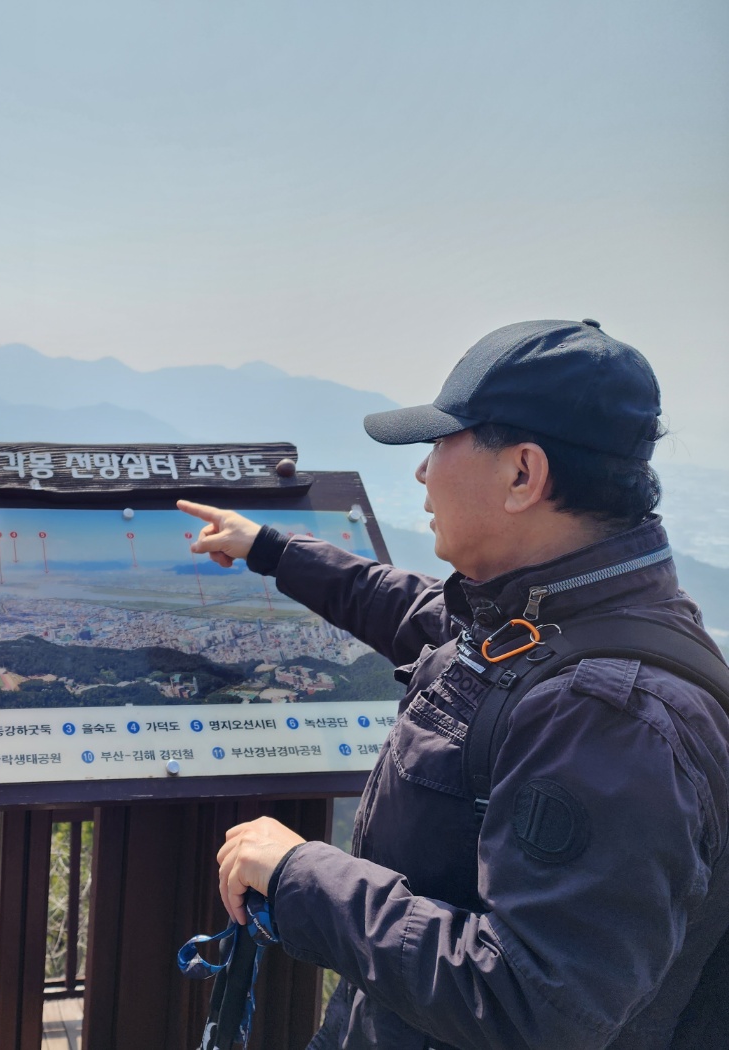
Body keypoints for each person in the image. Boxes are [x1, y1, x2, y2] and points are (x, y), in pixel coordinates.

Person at [180, 319, 729, 1049]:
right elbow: (412, 611)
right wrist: (272, 549)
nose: (422, 473)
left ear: (523, 474)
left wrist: (300, 875)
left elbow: (533, 1003)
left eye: (441, 443)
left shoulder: (606, 716)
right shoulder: (546, 617)